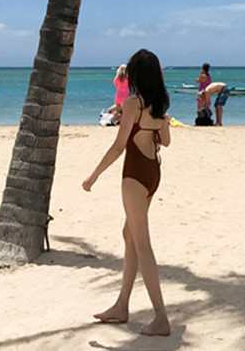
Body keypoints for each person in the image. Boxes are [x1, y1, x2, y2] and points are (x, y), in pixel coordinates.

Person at [82, 48, 171, 337]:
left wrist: (94, 174)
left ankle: (161, 317)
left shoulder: (134, 102)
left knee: (142, 244)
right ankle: (122, 306)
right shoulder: (158, 103)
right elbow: (166, 141)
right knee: (129, 235)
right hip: (152, 172)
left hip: (134, 175)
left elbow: (120, 145)